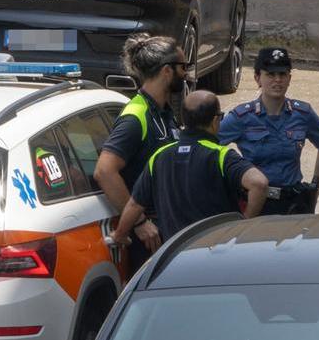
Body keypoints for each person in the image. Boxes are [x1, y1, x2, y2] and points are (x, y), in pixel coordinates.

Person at [109, 90, 269, 251]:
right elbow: (259, 183)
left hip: (176, 256)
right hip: (217, 254)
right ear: (215, 121)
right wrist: (242, 228)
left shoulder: (159, 156)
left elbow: (135, 204)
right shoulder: (221, 156)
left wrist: (119, 235)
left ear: (184, 120)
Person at [94, 34, 186, 273]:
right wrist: (139, 222)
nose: (187, 74)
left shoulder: (164, 112)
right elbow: (104, 171)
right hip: (149, 237)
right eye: (183, 67)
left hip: (169, 228)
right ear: (167, 71)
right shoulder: (136, 116)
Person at [218, 47, 319, 214]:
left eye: (282, 74)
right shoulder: (242, 117)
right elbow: (209, 146)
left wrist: (316, 186)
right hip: (257, 205)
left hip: (293, 205)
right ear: (257, 78)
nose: (277, 80)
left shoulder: (303, 113)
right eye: (270, 74)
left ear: (289, 78)